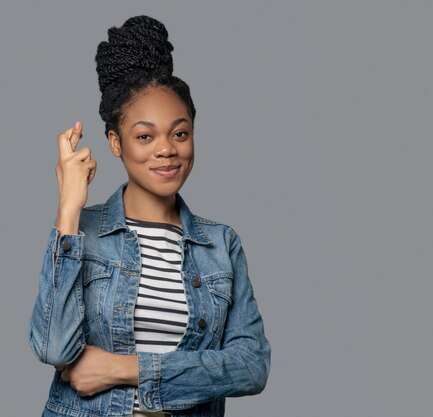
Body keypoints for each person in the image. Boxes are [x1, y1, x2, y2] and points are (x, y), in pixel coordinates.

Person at [28, 15, 270, 417]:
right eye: (145, 136)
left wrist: (125, 369)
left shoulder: (221, 245)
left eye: (180, 133)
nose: (166, 150)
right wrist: (68, 208)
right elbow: (54, 347)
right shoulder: (81, 233)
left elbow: (251, 365)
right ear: (115, 143)